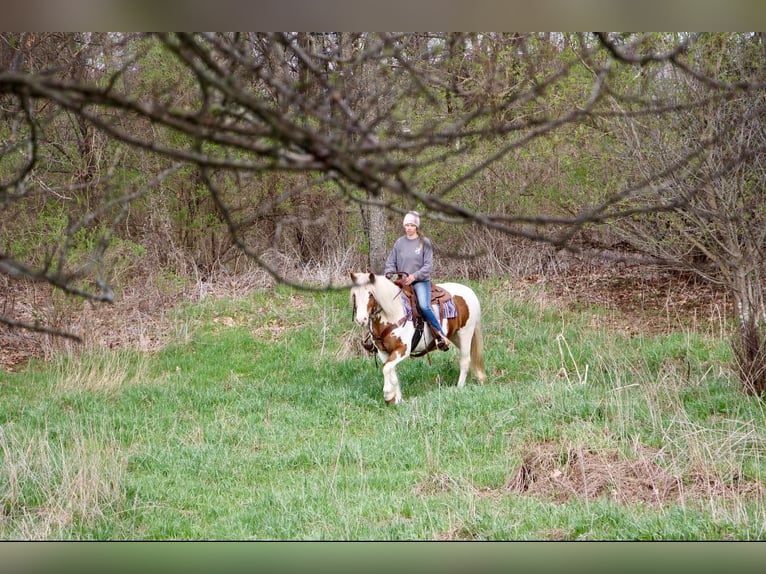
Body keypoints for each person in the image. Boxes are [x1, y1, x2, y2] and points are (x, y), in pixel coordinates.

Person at [384, 211, 450, 351]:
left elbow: (428, 266)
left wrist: (414, 276)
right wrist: (389, 272)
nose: (409, 228)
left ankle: (440, 335)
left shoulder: (424, 243)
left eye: (412, 225)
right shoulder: (399, 243)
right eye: (407, 225)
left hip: (420, 281)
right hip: (401, 282)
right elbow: (391, 261)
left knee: (424, 306)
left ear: (416, 227)